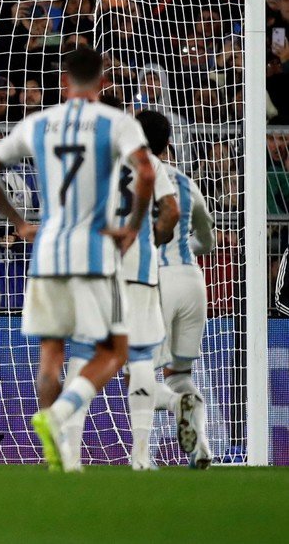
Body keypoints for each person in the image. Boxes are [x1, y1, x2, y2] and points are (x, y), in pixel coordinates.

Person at [0, 45, 155, 472]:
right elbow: (146, 173)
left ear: (63, 81)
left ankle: (60, 458)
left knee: (51, 352)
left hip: (46, 251)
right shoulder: (116, 122)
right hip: (93, 251)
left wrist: (20, 222)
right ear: (102, 82)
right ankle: (58, 416)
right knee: (114, 350)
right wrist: (132, 226)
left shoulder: (38, 122)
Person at [143, 109, 216, 469]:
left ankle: (173, 408)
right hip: (192, 282)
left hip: (156, 282)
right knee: (181, 375)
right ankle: (200, 446)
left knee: (136, 376)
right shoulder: (186, 183)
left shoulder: (133, 179)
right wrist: (185, 249)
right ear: (168, 144)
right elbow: (209, 239)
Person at [109, 107, 180, 470]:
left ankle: (65, 445)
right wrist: (154, 239)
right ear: (164, 144)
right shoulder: (152, 163)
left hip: (100, 271)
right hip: (139, 272)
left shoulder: (105, 162)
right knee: (138, 361)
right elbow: (172, 212)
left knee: (94, 360)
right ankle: (141, 452)